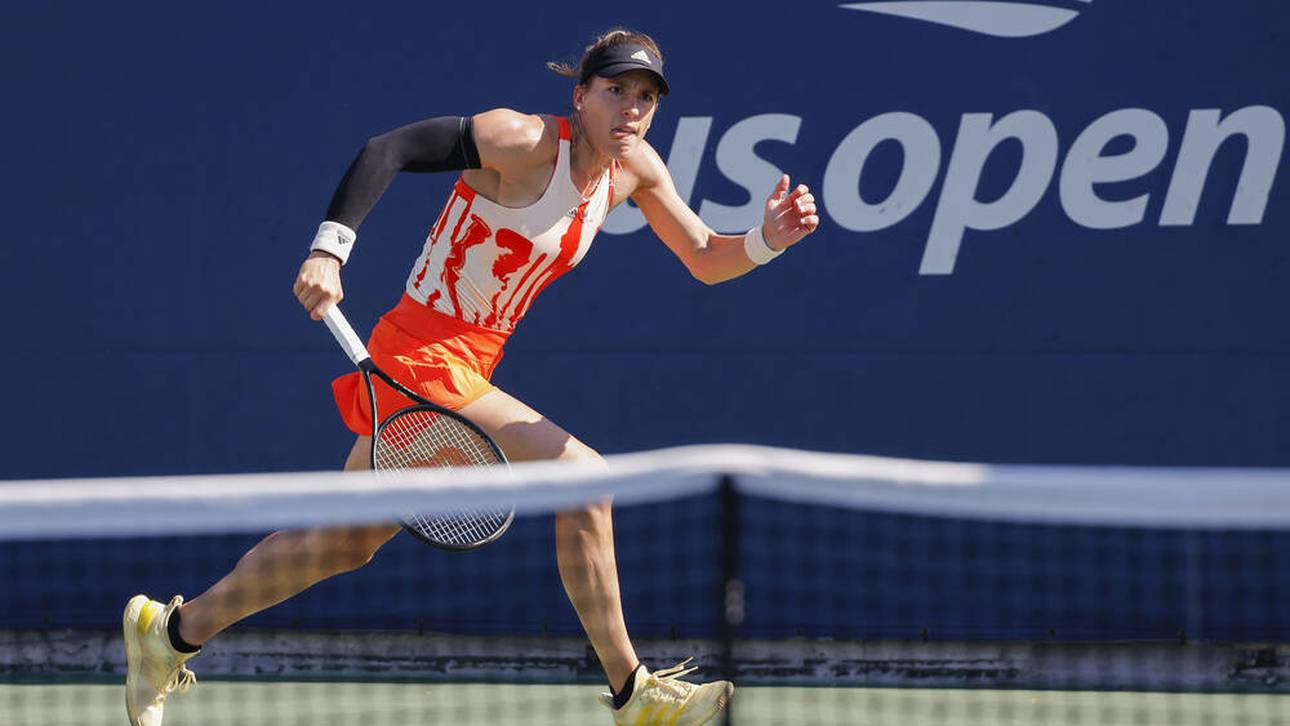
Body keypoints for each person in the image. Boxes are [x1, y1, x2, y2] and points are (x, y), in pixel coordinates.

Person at [123, 27, 819, 726]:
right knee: (585, 479)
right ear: (580, 96)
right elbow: (385, 150)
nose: (631, 110)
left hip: (472, 361)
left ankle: (168, 635)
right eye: (615, 91)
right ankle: (632, 691)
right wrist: (329, 250)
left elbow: (703, 254)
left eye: (645, 97)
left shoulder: (634, 168)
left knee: (343, 542)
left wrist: (766, 240)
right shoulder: (517, 140)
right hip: (420, 355)